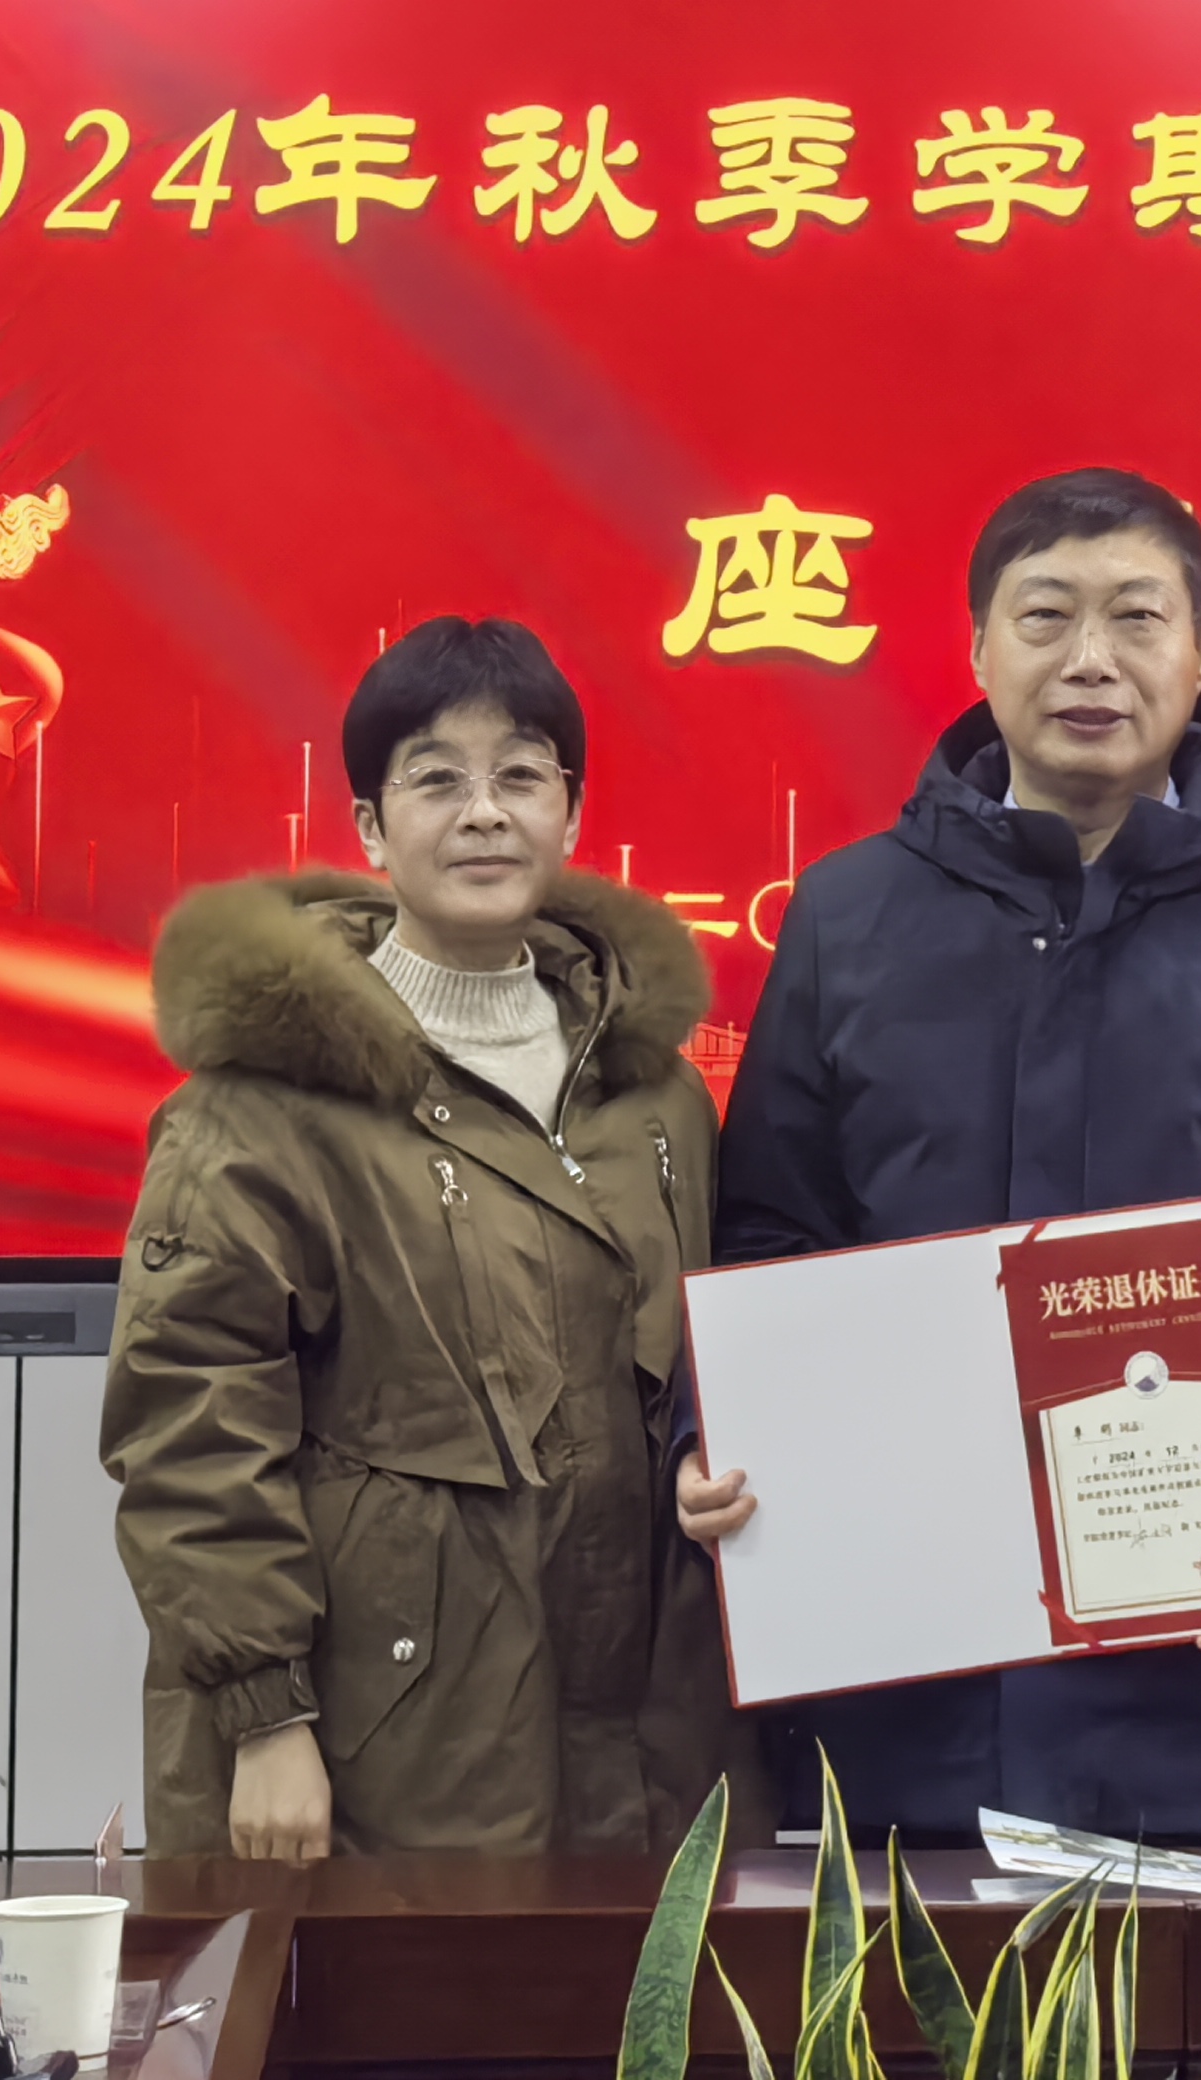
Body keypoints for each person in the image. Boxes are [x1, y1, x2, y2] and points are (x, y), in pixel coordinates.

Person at [693, 466, 1201, 1842]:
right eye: (1046, 615)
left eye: (1136, 617)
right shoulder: (847, 916)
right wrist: (717, 1442)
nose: (1090, 659)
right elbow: (770, 1248)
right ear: (978, 650)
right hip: (913, 1708)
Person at [102, 615, 737, 1859]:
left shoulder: (657, 1094)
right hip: (381, 1733)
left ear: (571, 811)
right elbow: (190, 1425)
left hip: (638, 1730)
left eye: (520, 776)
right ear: (370, 827)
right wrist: (264, 1719)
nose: (483, 813)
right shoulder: (264, 1101)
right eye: (437, 779)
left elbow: (693, 1367)